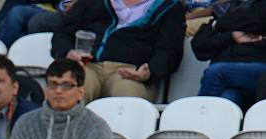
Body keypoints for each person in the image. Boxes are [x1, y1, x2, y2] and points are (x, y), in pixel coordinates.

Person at [51, 0, 186, 103]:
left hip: (132, 73)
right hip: (87, 65)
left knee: (126, 92)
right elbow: (62, 33)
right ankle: (60, 138)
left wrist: (150, 71)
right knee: (70, 86)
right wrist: (67, 52)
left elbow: (169, 51)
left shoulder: (170, 7)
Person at [191, 0, 266, 108]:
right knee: (228, 96)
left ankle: (196, 122)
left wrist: (219, 24)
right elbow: (199, 46)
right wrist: (231, 36)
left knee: (216, 72)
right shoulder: (222, 10)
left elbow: (255, 20)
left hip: (258, 69)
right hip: (227, 75)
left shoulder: (259, 6)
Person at [0, 0, 74, 48]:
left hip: (61, 12)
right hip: (41, 7)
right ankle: (3, 57)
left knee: (32, 21)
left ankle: (2, 57)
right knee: (14, 15)